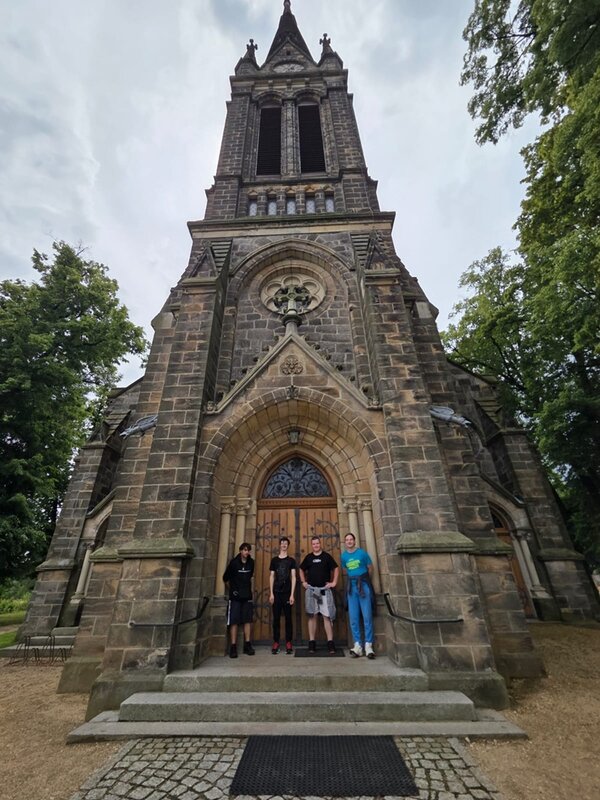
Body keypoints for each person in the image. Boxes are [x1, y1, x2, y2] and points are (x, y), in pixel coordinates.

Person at [299, 536, 339, 654]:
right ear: (312, 545)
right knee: (312, 616)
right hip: (312, 591)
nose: (316, 545)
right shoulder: (309, 557)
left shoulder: (326, 556)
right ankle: (312, 643)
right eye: (314, 544)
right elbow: (301, 569)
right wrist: (303, 582)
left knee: (327, 616)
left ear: (320, 544)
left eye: (317, 543)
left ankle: (330, 643)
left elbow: (336, 568)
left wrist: (334, 582)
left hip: (324, 591)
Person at [341, 533, 375, 659]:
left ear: (354, 541)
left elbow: (370, 568)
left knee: (367, 616)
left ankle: (368, 645)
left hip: (363, 586)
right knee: (353, 617)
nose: (349, 541)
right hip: (351, 588)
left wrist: (365, 581)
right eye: (347, 540)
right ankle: (358, 645)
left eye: (351, 539)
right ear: (345, 542)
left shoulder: (362, 554)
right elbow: (346, 570)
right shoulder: (343, 556)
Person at [223, 542, 255, 658]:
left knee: (247, 620)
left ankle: (247, 644)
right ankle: (233, 646)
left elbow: (250, 576)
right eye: (245, 550)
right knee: (234, 621)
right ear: (241, 550)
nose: (246, 552)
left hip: (247, 596)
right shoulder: (234, 563)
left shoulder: (251, 563)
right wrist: (233, 590)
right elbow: (225, 578)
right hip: (235, 597)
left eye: (248, 550)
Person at [269, 536, 297, 654]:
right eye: (282, 543)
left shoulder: (291, 561)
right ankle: (276, 642)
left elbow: (293, 576)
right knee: (276, 619)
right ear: (279, 545)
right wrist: (271, 593)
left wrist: (292, 595)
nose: (284, 545)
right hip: (276, 593)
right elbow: (271, 576)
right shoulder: (274, 560)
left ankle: (288, 642)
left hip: (287, 593)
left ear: (288, 545)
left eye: (286, 543)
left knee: (288, 619)